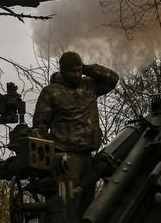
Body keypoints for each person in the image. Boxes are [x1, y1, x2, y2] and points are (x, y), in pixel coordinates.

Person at [31, 51, 119, 213]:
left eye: (79, 70)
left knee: (87, 206)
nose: (77, 74)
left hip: (87, 157)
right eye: (73, 71)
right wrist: (53, 155)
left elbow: (113, 79)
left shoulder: (89, 86)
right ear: (63, 71)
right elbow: (39, 127)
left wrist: (87, 68)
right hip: (65, 159)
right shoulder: (51, 92)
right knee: (67, 207)